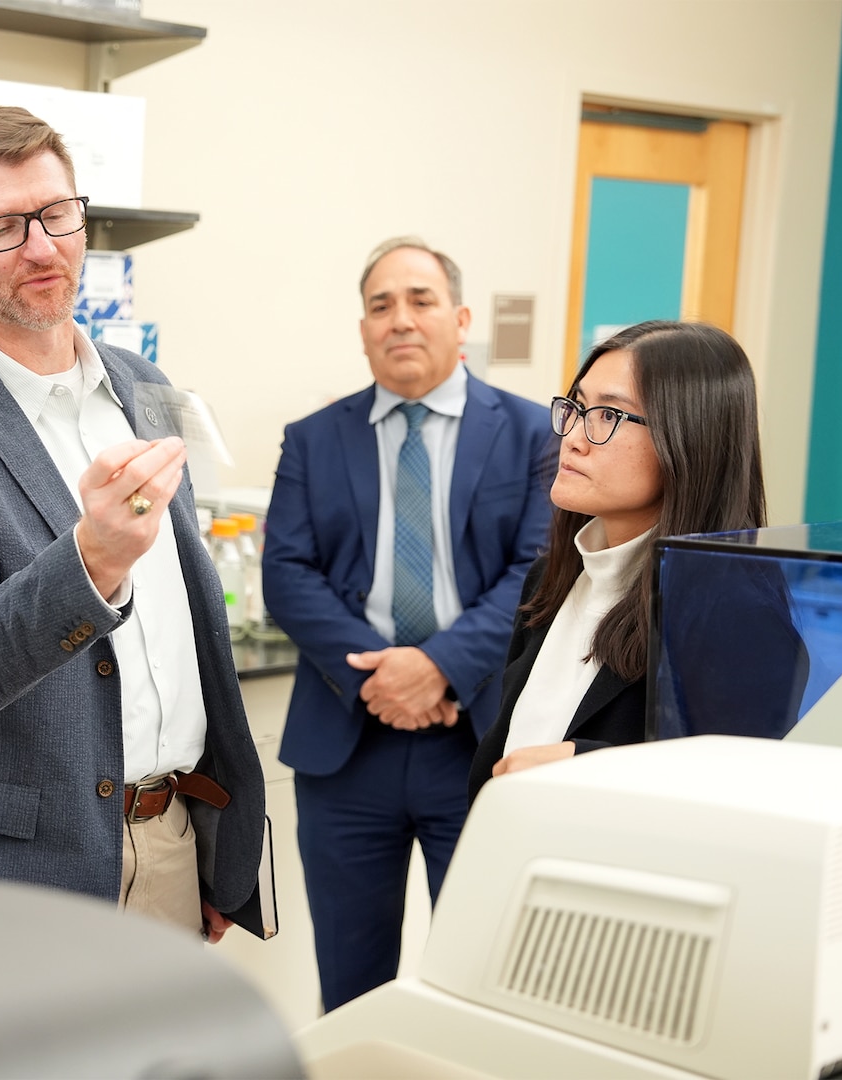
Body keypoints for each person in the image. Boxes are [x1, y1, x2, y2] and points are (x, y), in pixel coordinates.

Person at [0, 106, 265, 941]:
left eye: (57, 214)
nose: (42, 248)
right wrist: (91, 559)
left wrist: (209, 853)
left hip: (172, 837)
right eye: (2, 227)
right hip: (13, 877)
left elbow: (185, 631)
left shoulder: (145, 385)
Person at [261, 237, 554, 1009]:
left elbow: (538, 573)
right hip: (347, 747)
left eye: (420, 300)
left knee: (488, 982)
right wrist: (387, 676)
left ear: (460, 319)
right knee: (352, 989)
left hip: (481, 741)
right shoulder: (315, 439)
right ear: (362, 328)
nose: (401, 319)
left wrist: (438, 668)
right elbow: (287, 575)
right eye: (380, 305)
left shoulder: (533, 435)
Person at [469, 321, 808, 800]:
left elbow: (736, 795)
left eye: (608, 415)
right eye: (578, 407)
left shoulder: (739, 614)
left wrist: (586, 763)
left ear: (688, 442)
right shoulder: (553, 576)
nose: (573, 437)